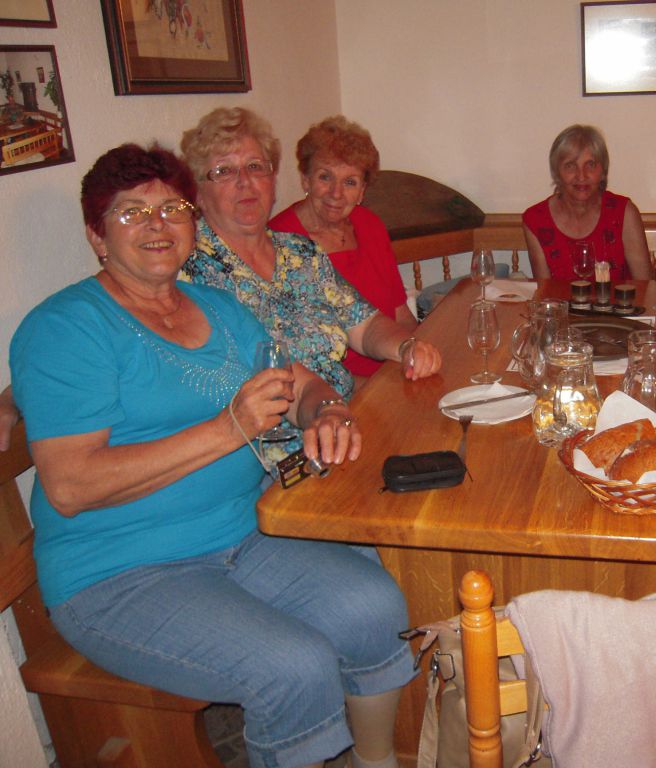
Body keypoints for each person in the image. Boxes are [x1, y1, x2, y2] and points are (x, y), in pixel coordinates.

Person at [9, 144, 416, 768]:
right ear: (96, 236)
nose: (157, 224)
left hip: (243, 534)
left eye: (172, 208)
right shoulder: (66, 328)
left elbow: (297, 381)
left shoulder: (220, 308)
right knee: (293, 666)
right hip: (120, 573)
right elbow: (71, 486)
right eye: (131, 212)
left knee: (374, 606)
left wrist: (327, 409)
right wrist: (229, 429)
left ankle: (378, 760)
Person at [179, 107, 441, 407]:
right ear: (198, 193)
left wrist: (407, 347)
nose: (245, 181)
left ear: (272, 180)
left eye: (255, 167)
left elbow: (366, 325)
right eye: (224, 171)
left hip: (346, 408)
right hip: (287, 426)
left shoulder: (300, 252)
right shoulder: (192, 271)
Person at [269, 115, 415, 387]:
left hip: (394, 374)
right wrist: (376, 388)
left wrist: (416, 356)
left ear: (362, 191)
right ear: (305, 180)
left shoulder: (370, 226)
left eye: (350, 182)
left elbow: (402, 316)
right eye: (325, 177)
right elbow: (296, 362)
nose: (336, 193)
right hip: (333, 392)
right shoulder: (281, 241)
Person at [523, 124, 653, 282]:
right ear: (557, 172)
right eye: (570, 166)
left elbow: (645, 286)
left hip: (619, 300)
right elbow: (545, 291)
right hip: (560, 300)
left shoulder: (624, 213)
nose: (581, 176)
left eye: (590, 165)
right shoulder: (536, 220)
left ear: (603, 171)